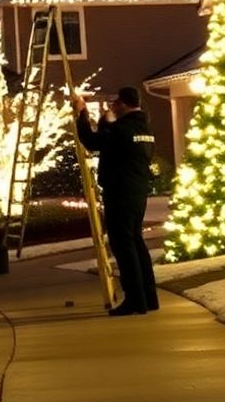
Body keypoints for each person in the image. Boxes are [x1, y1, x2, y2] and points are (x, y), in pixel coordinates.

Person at [71, 85, 159, 317]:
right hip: (138, 190)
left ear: (123, 104)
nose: (113, 107)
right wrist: (106, 123)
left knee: (123, 244)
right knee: (136, 241)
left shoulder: (121, 129)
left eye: (115, 104)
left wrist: (81, 113)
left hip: (120, 190)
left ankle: (135, 300)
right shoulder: (144, 127)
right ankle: (149, 297)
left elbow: (92, 141)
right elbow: (114, 143)